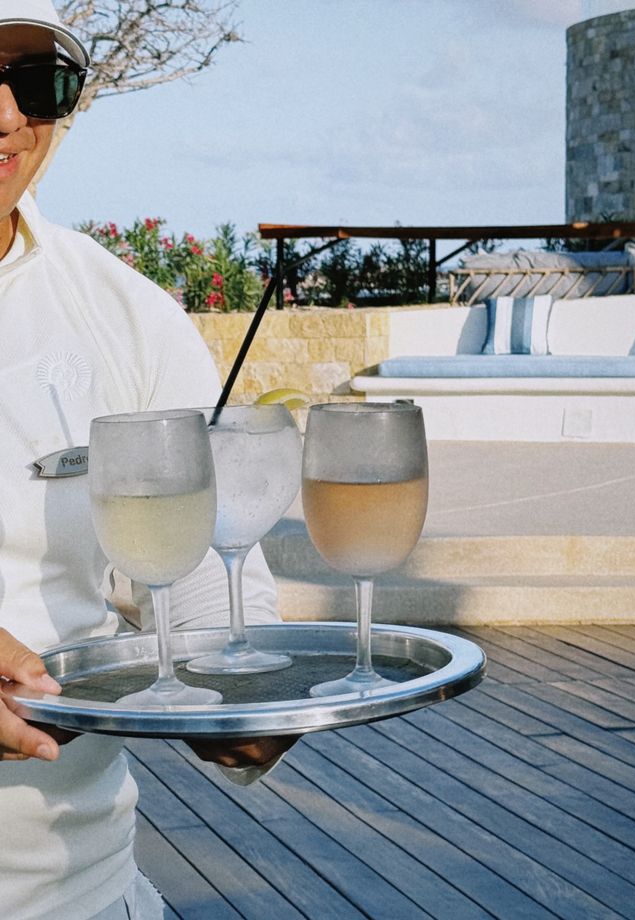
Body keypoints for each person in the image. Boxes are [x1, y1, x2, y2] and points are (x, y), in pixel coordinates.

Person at [0, 2, 296, 917]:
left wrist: (242, 687)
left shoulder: (124, 313)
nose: (9, 114)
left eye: (38, 79)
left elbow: (193, 551)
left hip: (77, 888)